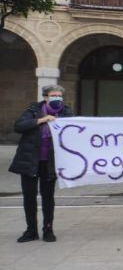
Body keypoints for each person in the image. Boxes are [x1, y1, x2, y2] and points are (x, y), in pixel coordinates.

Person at [10, 84, 73, 243]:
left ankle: (48, 229)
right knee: (29, 197)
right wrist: (42, 120)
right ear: (45, 97)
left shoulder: (66, 112)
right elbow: (18, 126)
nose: (57, 98)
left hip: (50, 163)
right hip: (30, 161)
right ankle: (31, 230)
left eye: (59, 96)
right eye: (54, 95)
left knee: (48, 197)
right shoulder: (32, 110)